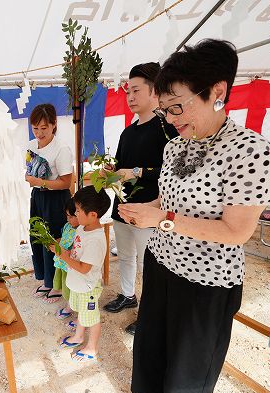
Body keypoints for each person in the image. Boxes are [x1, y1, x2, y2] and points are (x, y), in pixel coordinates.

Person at [118, 39, 270, 393]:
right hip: (162, 263)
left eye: (177, 107)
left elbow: (236, 231)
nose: (171, 118)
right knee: (156, 342)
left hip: (207, 280)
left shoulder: (250, 151)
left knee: (192, 363)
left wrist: (162, 220)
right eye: (166, 109)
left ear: (217, 92)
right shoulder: (176, 147)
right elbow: (167, 198)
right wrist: (147, 209)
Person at [101, 63, 177, 340]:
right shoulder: (127, 132)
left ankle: (149, 313)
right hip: (123, 208)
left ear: (154, 91)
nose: (130, 96)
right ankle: (127, 295)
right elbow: (121, 166)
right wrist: (110, 172)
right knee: (126, 256)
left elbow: (172, 171)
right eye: (128, 91)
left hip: (150, 211)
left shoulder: (167, 130)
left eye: (136, 90)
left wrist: (136, 172)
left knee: (150, 264)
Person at [51, 186, 111, 362]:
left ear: (93, 214)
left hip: (87, 287)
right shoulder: (83, 228)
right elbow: (74, 249)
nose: (75, 214)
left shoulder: (96, 240)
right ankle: (78, 336)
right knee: (82, 313)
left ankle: (91, 348)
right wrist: (60, 247)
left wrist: (63, 255)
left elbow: (85, 268)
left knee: (91, 318)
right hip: (77, 282)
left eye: (78, 210)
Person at [26, 104, 73, 300]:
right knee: (39, 237)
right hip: (38, 198)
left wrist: (39, 182)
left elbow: (66, 182)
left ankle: (57, 286)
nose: (39, 133)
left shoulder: (61, 148)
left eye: (44, 128)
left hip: (55, 200)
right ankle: (46, 279)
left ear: (54, 125)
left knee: (54, 241)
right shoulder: (30, 145)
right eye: (35, 128)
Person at [53, 198, 79, 316]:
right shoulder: (67, 226)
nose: (68, 219)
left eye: (71, 216)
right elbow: (63, 239)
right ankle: (69, 305)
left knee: (71, 289)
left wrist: (62, 251)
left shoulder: (81, 232)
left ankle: (72, 309)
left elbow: (74, 251)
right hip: (62, 263)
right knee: (64, 285)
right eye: (67, 216)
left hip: (71, 266)